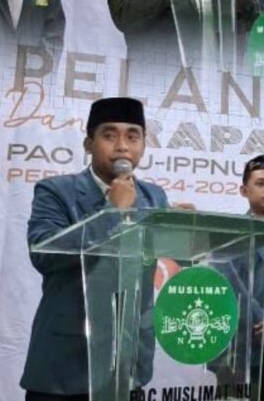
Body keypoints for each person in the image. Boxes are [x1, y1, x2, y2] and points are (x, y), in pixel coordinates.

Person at [21, 97, 168, 401]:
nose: (122, 146)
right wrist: (110, 212)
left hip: (127, 363)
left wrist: (187, 232)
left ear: (143, 145)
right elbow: (44, 254)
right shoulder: (55, 191)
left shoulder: (154, 198)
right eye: (109, 135)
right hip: (65, 364)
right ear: (89, 143)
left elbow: (161, 257)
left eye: (132, 136)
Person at [214, 155, 264, 401]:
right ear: (244, 190)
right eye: (260, 183)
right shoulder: (229, 235)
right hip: (240, 349)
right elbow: (233, 289)